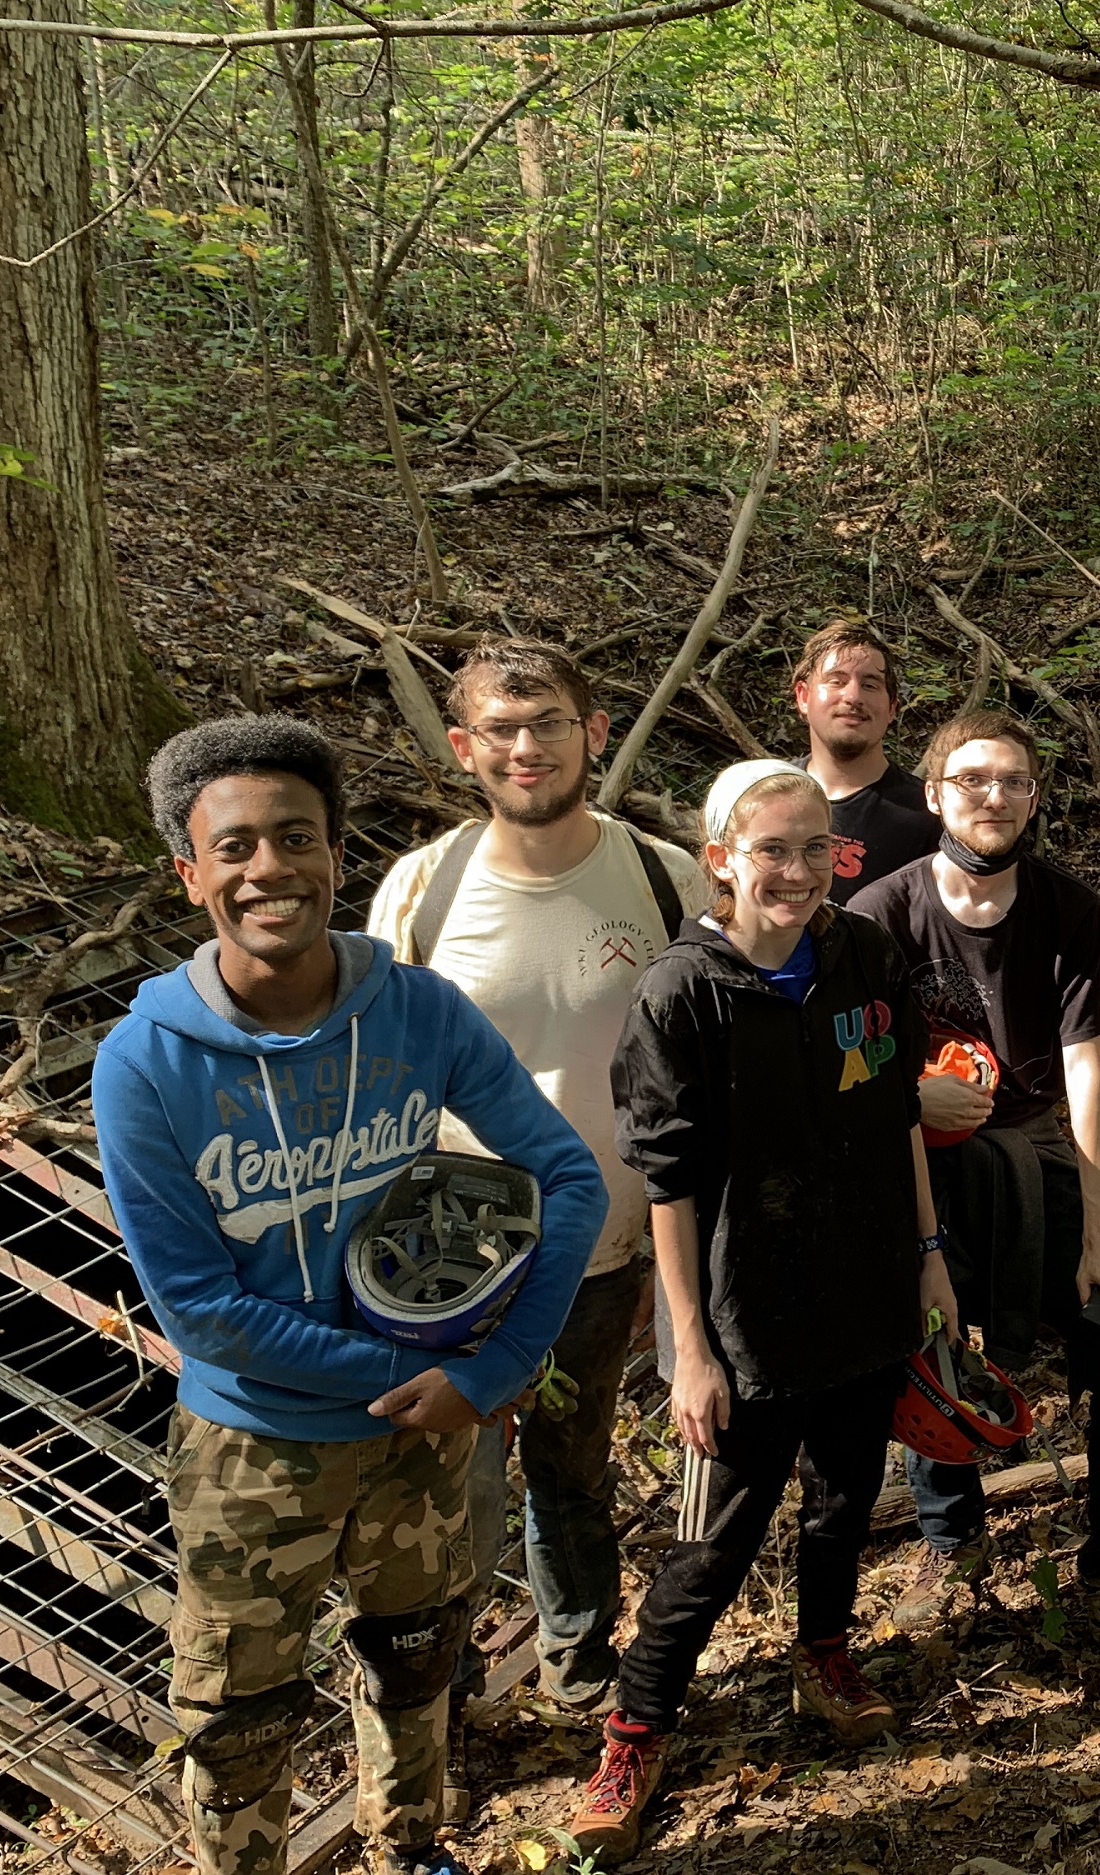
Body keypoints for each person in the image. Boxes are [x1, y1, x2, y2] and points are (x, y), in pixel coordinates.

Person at [91, 717, 606, 1875]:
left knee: (419, 1659)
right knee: (237, 1717)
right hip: (255, 1448)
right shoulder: (144, 1064)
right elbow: (201, 1310)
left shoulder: (416, 1011)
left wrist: (494, 1367)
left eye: (295, 839)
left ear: (336, 856)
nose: (266, 869)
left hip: (429, 1435)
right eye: (233, 849)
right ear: (190, 875)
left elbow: (566, 1174)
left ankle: (408, 1846)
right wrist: (419, 1381)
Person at [568, 761, 962, 1856]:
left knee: (845, 1503)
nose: (795, 872)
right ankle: (635, 1732)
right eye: (771, 849)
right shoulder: (680, 994)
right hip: (744, 1320)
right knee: (711, 1546)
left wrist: (928, 1256)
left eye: (815, 848)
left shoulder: (864, 956)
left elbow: (894, 1115)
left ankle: (824, 1656)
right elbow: (668, 1185)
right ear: (723, 860)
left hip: (868, 1284)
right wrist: (689, 1348)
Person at [365, 640, 709, 1729]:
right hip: (453, 1260)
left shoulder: (665, 877)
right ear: (464, 748)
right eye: (502, 730)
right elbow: (379, 1075)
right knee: (449, 1488)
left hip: (609, 1243)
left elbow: (710, 1053)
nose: (528, 748)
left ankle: (577, 1657)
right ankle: (441, 1691)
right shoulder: (425, 887)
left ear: (592, 731)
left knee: (573, 1469)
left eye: (549, 722)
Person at [851, 708, 1100, 1656]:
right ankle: (953, 1540)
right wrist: (915, 1104)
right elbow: (855, 1075)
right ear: (935, 792)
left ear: (1032, 798)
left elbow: (1084, 1071)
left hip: (1038, 1157)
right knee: (930, 1344)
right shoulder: (878, 916)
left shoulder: (1065, 905)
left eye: (1013, 781)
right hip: (917, 1165)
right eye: (973, 779)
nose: (994, 796)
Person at [792, 619, 941, 902]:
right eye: (836, 681)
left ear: (891, 709)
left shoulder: (927, 817)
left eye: (870, 684)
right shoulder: (766, 794)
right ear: (803, 696)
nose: (853, 696)